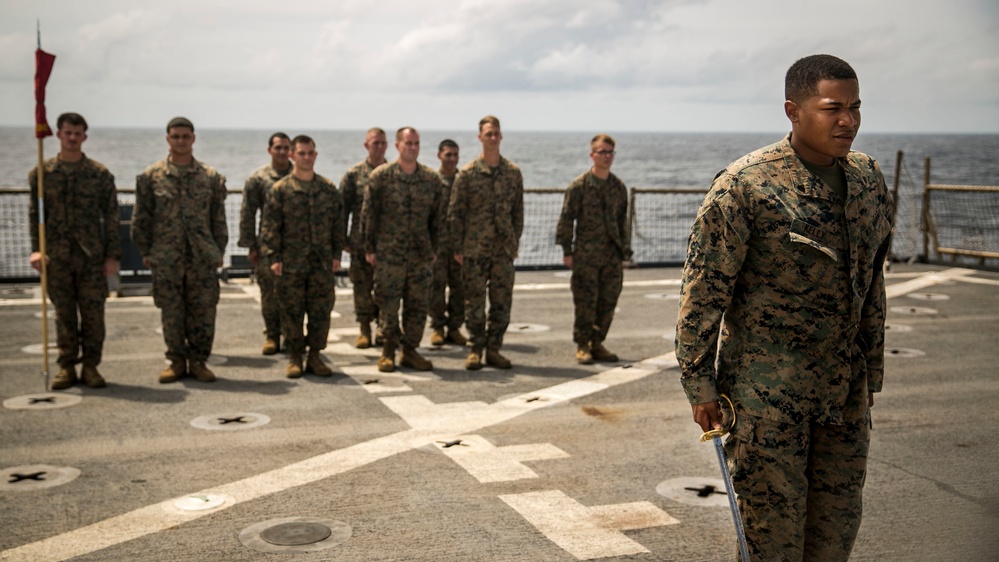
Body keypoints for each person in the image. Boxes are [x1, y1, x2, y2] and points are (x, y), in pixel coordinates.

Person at [675, 54, 894, 561]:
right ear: (793, 111)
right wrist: (700, 385)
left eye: (855, 107)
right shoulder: (746, 186)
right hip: (767, 403)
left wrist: (872, 375)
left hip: (844, 397)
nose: (848, 120)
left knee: (833, 538)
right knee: (771, 542)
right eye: (832, 108)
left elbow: (871, 287)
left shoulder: (867, 180)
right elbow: (703, 294)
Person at [28, 112, 120, 390]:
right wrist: (36, 250)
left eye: (77, 133)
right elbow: (36, 215)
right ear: (58, 134)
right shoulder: (42, 174)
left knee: (93, 315)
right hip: (56, 256)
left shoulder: (99, 174)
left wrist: (112, 255)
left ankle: (91, 367)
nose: (72, 138)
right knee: (64, 314)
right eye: (67, 133)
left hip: (91, 257)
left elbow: (112, 217)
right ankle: (66, 366)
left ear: (84, 137)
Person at [133, 117, 228, 384]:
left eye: (185, 136)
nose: (181, 141)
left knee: (203, 311)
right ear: (167, 139)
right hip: (167, 257)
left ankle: (198, 361)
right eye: (175, 137)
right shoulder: (151, 177)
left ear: (193, 139)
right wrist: (147, 251)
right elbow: (142, 219)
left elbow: (217, 218)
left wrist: (218, 250)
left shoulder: (210, 178)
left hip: (201, 257)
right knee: (172, 313)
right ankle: (175, 362)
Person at [260, 135, 345, 378]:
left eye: (310, 153)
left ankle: (315, 356)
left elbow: (338, 225)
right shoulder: (281, 190)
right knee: (291, 311)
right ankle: (295, 357)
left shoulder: (328, 190)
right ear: (292, 156)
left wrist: (336, 254)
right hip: (291, 264)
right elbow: (270, 227)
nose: (306, 158)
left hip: (320, 263)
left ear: (315, 156)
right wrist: (274, 257)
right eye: (301, 153)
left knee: (320, 311)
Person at [362, 127, 444, 373]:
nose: (413, 148)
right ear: (397, 145)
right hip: (389, 254)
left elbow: (438, 218)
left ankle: (410, 350)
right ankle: (387, 351)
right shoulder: (381, 177)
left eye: (417, 143)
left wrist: (434, 249)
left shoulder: (431, 180)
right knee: (388, 303)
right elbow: (369, 215)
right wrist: (369, 248)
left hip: (420, 255)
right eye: (408, 143)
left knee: (417, 305)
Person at [448, 115, 524, 370]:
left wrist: (514, 243)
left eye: (496, 134)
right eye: (487, 134)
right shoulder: (468, 174)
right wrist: (458, 247)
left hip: (502, 250)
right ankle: (475, 349)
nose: (492, 138)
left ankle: (494, 349)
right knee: (474, 303)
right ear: (480, 137)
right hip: (474, 249)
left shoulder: (512, 173)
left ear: (500, 137)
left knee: (502, 302)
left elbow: (518, 212)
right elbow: (456, 213)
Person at [556, 134, 632, 365]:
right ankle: (582, 345)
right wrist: (567, 251)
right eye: (602, 152)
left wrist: (624, 253)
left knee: (608, 301)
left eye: (610, 152)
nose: (607, 156)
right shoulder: (579, 187)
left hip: (611, 255)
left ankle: (597, 343)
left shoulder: (618, 188)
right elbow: (567, 219)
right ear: (592, 155)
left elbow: (623, 222)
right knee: (585, 301)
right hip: (586, 255)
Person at [238, 132, 292, 355]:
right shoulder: (258, 179)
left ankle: (291, 335)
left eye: (286, 148)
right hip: (268, 245)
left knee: (293, 293)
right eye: (277, 147)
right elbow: (248, 213)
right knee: (269, 293)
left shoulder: (300, 175)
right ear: (269, 150)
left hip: (295, 246)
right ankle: (272, 335)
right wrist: (251, 245)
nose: (282, 152)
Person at [340, 128, 388, 349]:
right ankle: (364, 328)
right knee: (361, 287)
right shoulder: (354, 175)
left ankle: (382, 327)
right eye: (375, 143)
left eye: (382, 143)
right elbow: (343, 210)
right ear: (366, 145)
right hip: (359, 243)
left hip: (389, 244)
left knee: (386, 288)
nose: (379, 147)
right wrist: (342, 240)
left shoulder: (395, 173)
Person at [428, 139, 466, 347]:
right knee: (436, 287)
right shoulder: (432, 181)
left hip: (459, 245)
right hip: (438, 245)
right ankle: (437, 327)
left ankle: (454, 327)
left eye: (455, 155)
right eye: (448, 155)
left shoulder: (464, 180)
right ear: (439, 156)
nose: (452, 159)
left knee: (459, 288)